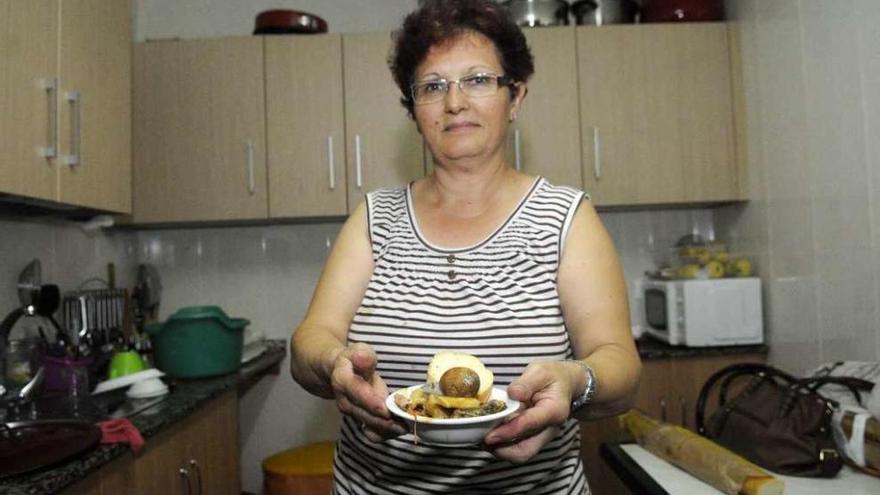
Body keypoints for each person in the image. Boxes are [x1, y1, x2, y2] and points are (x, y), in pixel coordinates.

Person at [290, 0, 641, 492]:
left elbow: (618, 363)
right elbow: (309, 342)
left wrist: (574, 383)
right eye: (433, 86)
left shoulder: (566, 218)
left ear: (515, 95)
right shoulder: (373, 218)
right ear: (413, 110)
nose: (455, 102)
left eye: (477, 79)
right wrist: (333, 366)